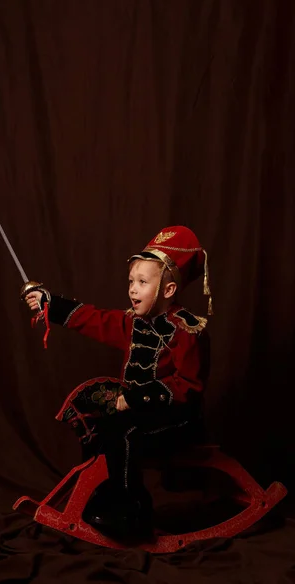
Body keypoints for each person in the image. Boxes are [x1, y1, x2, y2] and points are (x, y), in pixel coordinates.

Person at [23, 225, 212, 539]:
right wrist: (49, 302)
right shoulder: (131, 322)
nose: (132, 290)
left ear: (168, 290)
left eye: (142, 282)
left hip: (179, 420)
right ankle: (100, 501)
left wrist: (136, 399)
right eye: (131, 282)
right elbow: (94, 318)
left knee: (124, 429)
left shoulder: (188, 330)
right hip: (141, 414)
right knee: (98, 420)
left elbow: (189, 386)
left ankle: (130, 512)